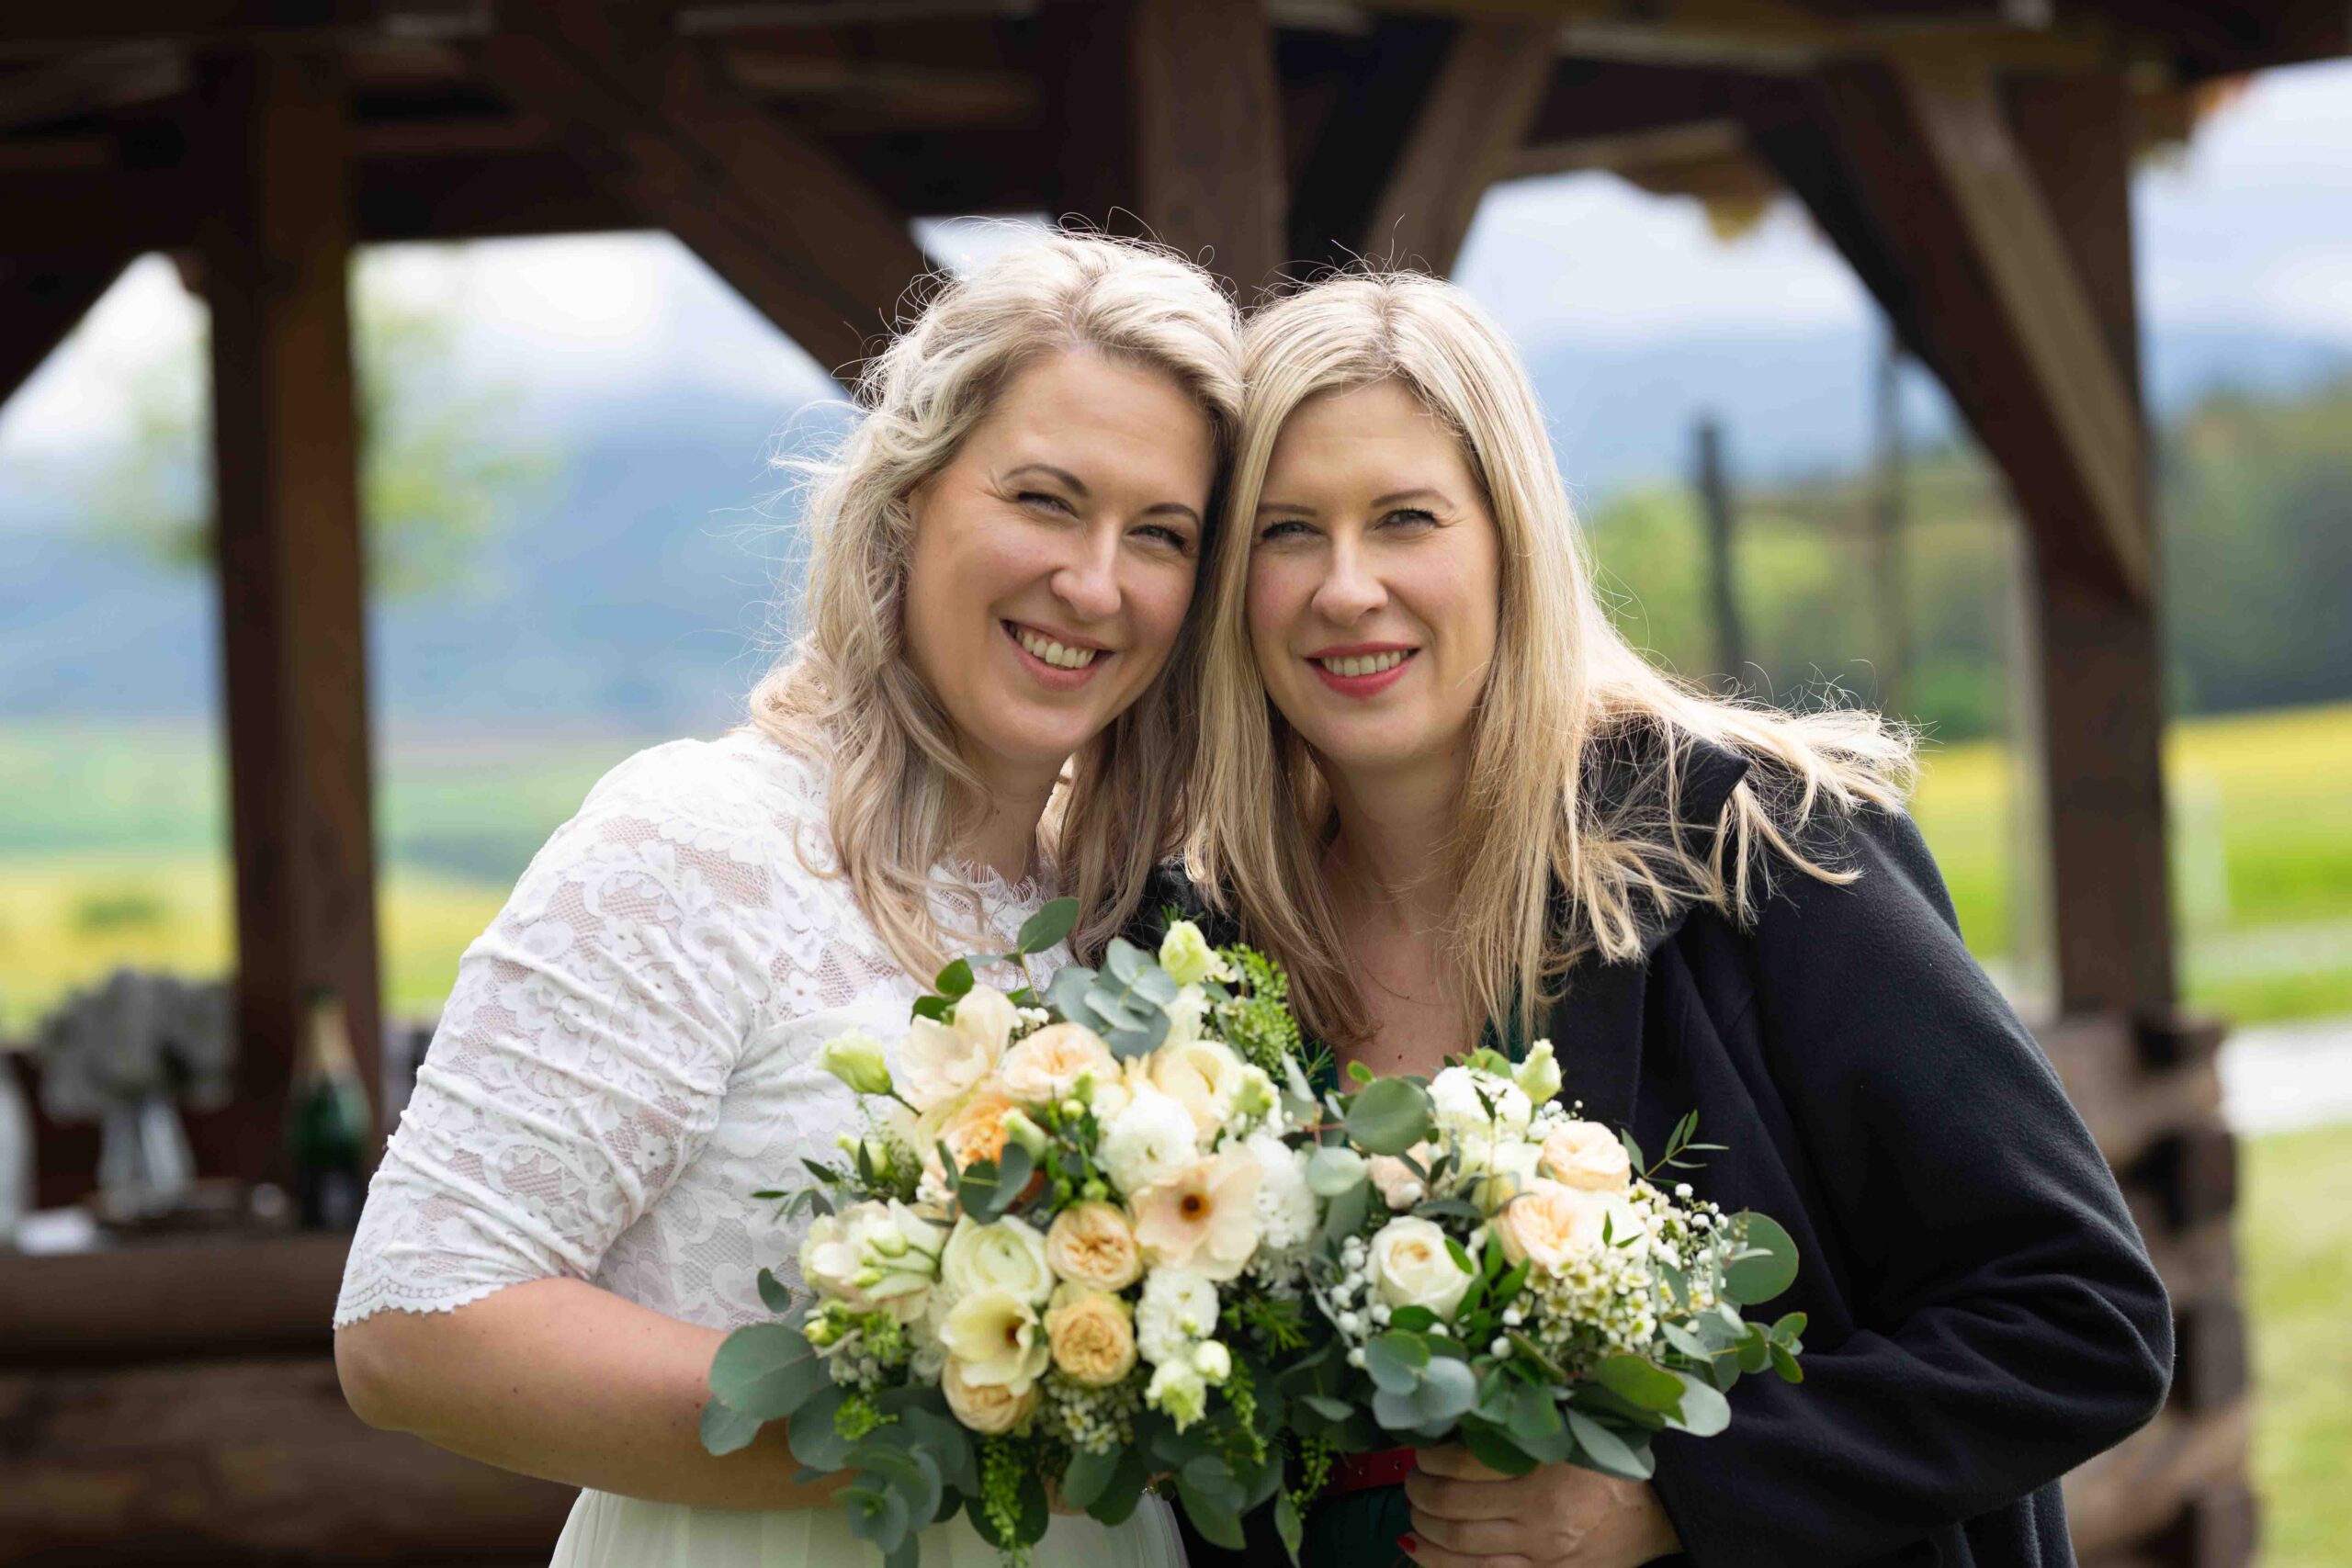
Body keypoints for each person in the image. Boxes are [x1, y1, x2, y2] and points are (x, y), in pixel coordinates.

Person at [1174, 273, 2173, 1567]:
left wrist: (1678, 1492)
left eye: (1406, 518)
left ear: (1512, 540)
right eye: (1287, 531)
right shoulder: (1204, 955)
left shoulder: (1762, 849)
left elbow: (2083, 1318)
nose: (1345, 586)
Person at [332, 231, 1243, 1567]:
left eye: (1159, 535)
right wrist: (949, 1432)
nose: (1096, 583)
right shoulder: (695, 844)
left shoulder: (1140, 918)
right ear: (909, 500)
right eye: (1046, 501)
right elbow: (416, 1324)